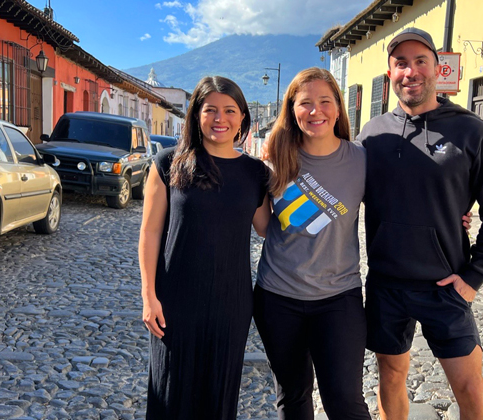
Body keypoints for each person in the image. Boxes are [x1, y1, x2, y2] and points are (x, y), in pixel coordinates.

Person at [357, 27, 483, 420]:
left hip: (446, 285)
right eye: (400, 64)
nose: (411, 72)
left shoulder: (471, 130)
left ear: (437, 68)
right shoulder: (371, 135)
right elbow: (338, 192)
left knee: (469, 388)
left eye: (420, 61)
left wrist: (475, 277)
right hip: (387, 285)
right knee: (390, 376)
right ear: (390, 73)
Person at [139, 76, 271, 419]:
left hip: (231, 303)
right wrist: (148, 295)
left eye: (229, 110)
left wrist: (293, 179)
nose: (219, 119)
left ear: (243, 118)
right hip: (174, 302)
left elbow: (267, 229)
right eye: (210, 110)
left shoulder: (255, 173)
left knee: (218, 396)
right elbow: (151, 233)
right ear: (196, 115)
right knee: (169, 391)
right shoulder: (168, 164)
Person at [252, 68, 372, 420]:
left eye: (325, 101)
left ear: (338, 108)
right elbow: (263, 228)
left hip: (338, 299)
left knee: (346, 402)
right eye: (305, 103)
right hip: (278, 298)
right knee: (292, 398)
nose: (315, 111)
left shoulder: (362, 160)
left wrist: (455, 218)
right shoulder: (274, 160)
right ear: (292, 109)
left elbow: (396, 208)